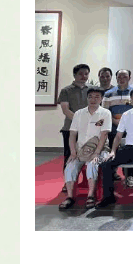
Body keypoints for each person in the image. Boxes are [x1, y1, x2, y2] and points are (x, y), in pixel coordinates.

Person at [58, 87, 112, 210]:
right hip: (81, 150)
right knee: (70, 166)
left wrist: (96, 153)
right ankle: (70, 197)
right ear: (87, 98)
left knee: (92, 164)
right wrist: (73, 152)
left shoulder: (105, 113)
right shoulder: (79, 113)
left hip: (100, 149)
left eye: (97, 97)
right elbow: (72, 134)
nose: (93, 99)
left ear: (101, 99)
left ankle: (91, 195)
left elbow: (104, 135)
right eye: (90, 97)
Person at [57, 63, 90, 191]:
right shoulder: (66, 90)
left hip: (89, 129)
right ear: (74, 75)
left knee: (88, 155)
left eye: (86, 74)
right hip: (70, 129)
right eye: (80, 74)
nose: (83, 76)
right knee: (70, 155)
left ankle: (87, 180)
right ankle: (68, 182)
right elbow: (65, 110)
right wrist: (80, 122)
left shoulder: (92, 90)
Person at [101, 68, 133, 182]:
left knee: (130, 150)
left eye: (125, 77)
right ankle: (112, 174)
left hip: (131, 128)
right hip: (114, 127)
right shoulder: (108, 94)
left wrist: (127, 123)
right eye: (119, 77)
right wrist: (115, 122)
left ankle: (129, 175)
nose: (122, 79)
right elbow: (104, 112)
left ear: (129, 78)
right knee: (113, 150)